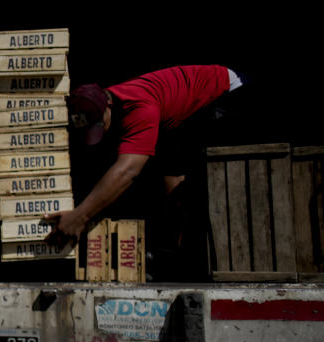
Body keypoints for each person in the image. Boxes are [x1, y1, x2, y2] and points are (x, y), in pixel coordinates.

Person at [47, 64, 245, 244]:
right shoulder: (114, 105)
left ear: (108, 105)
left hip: (222, 94)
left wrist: (80, 216)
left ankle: (195, 251)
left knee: (201, 186)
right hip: (177, 118)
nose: (102, 132)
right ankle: (174, 252)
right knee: (171, 179)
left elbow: (128, 170)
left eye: (100, 125)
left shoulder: (139, 108)